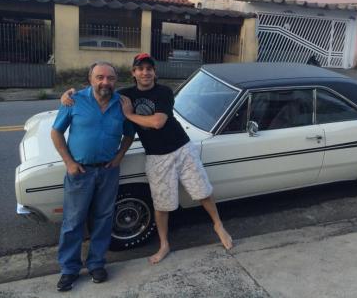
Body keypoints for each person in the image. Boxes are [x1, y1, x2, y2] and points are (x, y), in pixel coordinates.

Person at [61, 53, 232, 265]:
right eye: (140, 69)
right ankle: (164, 245)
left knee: (202, 190)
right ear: (133, 73)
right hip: (156, 156)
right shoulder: (125, 95)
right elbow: (101, 91)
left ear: (154, 72)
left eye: (149, 69)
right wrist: (70, 94)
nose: (145, 72)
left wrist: (130, 115)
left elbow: (158, 122)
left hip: (181, 147)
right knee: (161, 204)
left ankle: (218, 225)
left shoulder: (164, 92)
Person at [52, 61, 134, 292]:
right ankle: (69, 269)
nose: (105, 82)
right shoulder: (74, 100)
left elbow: (129, 134)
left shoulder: (123, 104)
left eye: (110, 78)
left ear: (116, 81)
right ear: (90, 79)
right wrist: (68, 162)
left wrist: (119, 157)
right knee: (73, 221)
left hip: (108, 171)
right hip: (80, 171)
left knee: (103, 218)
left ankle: (97, 263)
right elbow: (56, 131)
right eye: (100, 77)